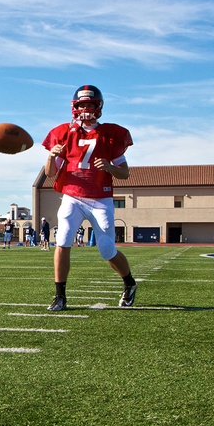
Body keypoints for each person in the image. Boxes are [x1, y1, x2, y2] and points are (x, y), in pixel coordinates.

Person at [42, 84, 136, 311]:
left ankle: (129, 283)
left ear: (99, 107)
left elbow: (125, 173)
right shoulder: (63, 133)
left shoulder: (110, 135)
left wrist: (109, 167)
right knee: (62, 241)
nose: (85, 109)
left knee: (106, 250)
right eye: (82, 105)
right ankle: (60, 296)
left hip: (99, 198)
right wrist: (51, 156)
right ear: (74, 107)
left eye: (90, 105)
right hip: (72, 196)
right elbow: (50, 173)